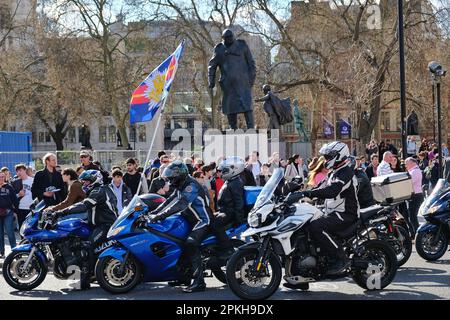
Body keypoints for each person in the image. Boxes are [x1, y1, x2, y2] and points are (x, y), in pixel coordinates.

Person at [285, 141, 359, 276]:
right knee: (304, 224)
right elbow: (320, 188)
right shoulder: (334, 172)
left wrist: (308, 193)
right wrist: (299, 193)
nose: (326, 160)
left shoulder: (345, 172)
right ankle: (301, 275)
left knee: (316, 226)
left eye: (328, 156)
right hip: (333, 211)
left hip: (346, 214)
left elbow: (331, 191)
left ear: (339, 155)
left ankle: (341, 258)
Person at [147, 161, 213, 293]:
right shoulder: (181, 185)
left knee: (190, 243)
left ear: (179, 175)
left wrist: (160, 216)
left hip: (202, 220)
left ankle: (199, 282)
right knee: (177, 241)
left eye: (172, 177)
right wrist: (153, 213)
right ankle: (184, 277)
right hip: (190, 220)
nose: (170, 181)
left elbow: (180, 204)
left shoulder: (191, 186)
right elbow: (170, 201)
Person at [52, 170, 118, 289]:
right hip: (96, 224)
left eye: (87, 181)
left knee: (88, 246)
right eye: (84, 182)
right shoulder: (100, 189)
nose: (85, 184)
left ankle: (85, 279)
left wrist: (62, 212)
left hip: (106, 225)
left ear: (95, 180)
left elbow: (84, 205)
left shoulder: (99, 191)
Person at [208, 29, 256, 130]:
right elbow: (212, 66)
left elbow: (251, 63)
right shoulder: (219, 49)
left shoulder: (242, 46)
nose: (229, 40)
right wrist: (211, 80)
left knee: (247, 105)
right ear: (223, 39)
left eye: (230, 37)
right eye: (226, 38)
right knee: (230, 106)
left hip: (243, 82)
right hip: (228, 84)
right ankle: (232, 127)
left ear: (233, 36)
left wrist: (251, 79)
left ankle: (251, 128)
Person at [212, 157, 245, 257]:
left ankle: (227, 249)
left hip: (229, 212)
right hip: (224, 210)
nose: (221, 173)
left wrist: (238, 219)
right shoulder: (231, 180)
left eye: (224, 171)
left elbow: (239, 202)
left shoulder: (235, 182)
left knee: (216, 225)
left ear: (233, 169)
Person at [0, 171, 19, 258]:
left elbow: (15, 200)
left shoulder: (9, 187)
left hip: (8, 212)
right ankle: (1, 252)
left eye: (3, 176)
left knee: (10, 232)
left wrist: (15, 211)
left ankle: (15, 252)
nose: (1, 178)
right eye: (0, 177)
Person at [12, 164, 34, 230]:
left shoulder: (32, 180)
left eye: (20, 170)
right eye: (17, 171)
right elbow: (12, 197)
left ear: (25, 170)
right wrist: (19, 195)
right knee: (22, 228)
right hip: (20, 208)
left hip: (31, 208)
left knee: (31, 228)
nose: (19, 173)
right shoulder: (15, 182)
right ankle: (23, 240)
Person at [405, 157, 423, 235]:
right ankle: (416, 233)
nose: (406, 165)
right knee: (412, 216)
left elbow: (408, 183)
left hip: (416, 196)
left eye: (407, 163)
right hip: (415, 195)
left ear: (412, 163)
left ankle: (418, 234)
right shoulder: (413, 171)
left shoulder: (415, 171)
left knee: (413, 217)